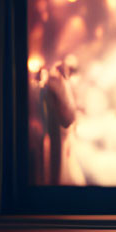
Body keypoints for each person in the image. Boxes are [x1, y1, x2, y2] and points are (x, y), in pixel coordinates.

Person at [39, 56, 78, 185]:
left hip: (58, 125)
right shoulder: (56, 83)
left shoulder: (57, 83)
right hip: (56, 125)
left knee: (59, 156)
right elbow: (67, 107)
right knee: (57, 157)